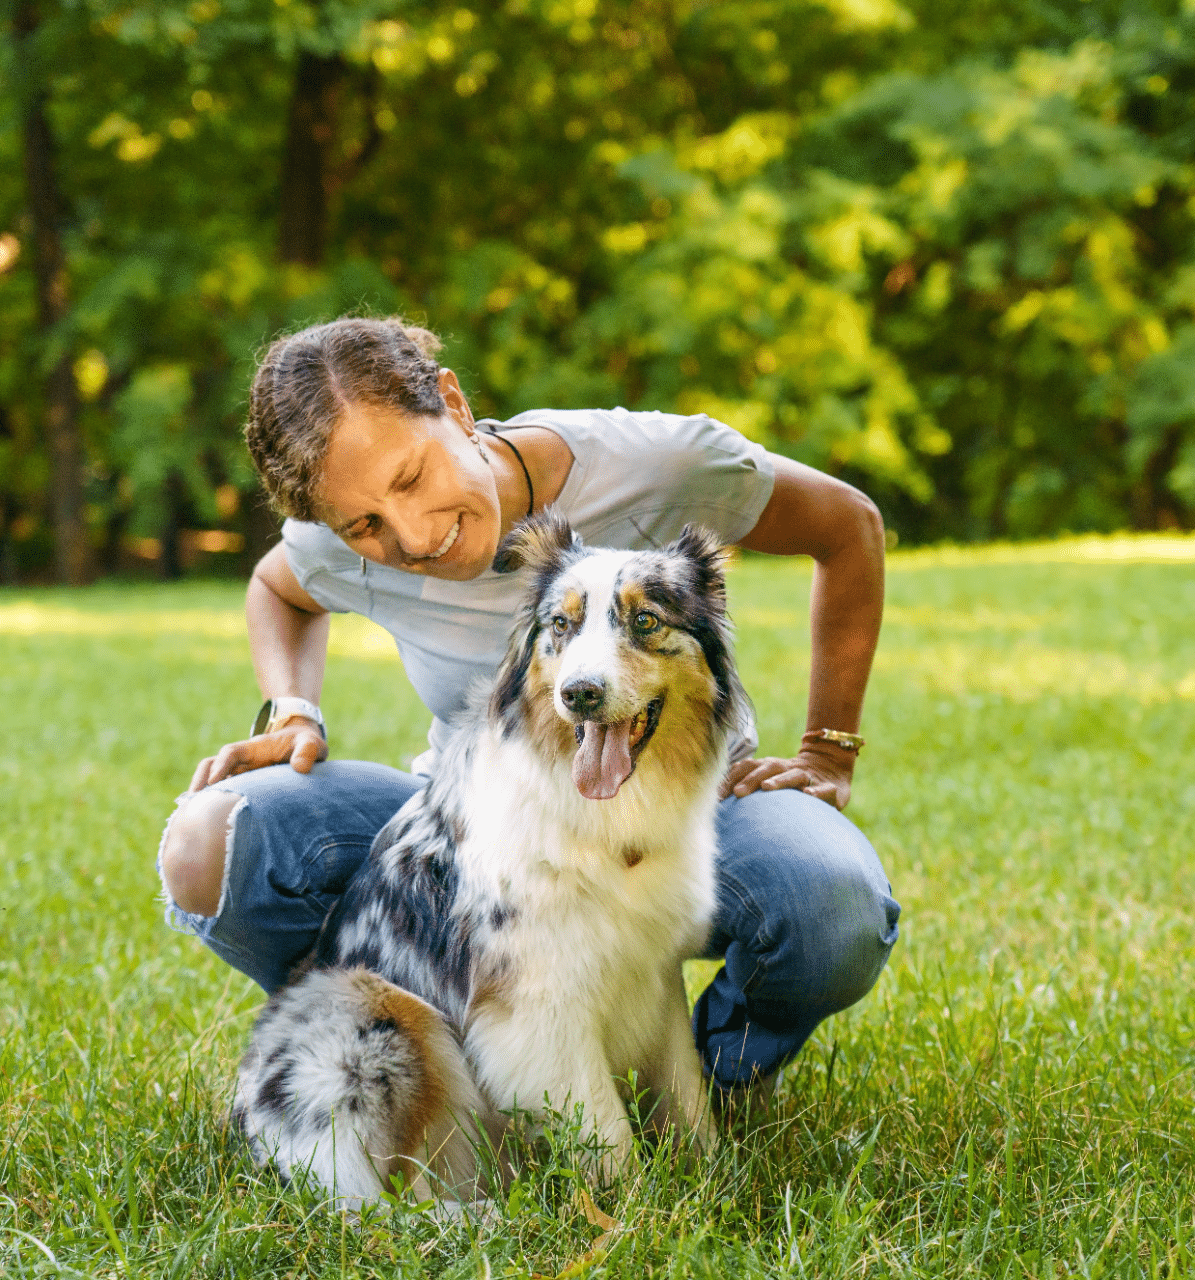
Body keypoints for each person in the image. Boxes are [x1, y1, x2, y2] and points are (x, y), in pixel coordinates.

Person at [157, 315, 900, 1097]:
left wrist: (828, 749)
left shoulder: (654, 461)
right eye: (365, 525)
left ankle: (717, 1075)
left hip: (686, 814)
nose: (412, 536)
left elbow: (848, 526)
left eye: (412, 477)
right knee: (209, 844)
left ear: (454, 403)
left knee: (831, 904)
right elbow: (278, 588)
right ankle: (399, 1067)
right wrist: (292, 710)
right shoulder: (335, 533)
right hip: (477, 828)